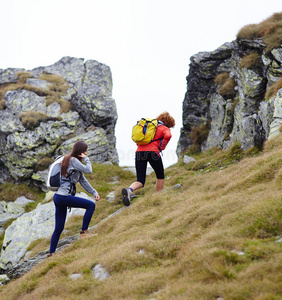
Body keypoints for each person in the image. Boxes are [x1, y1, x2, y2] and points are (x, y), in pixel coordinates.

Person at [48, 140, 100, 257]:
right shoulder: (73, 160)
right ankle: (84, 232)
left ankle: (51, 253)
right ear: (80, 151)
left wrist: (94, 192)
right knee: (90, 205)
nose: (86, 153)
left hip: (58, 197)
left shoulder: (70, 162)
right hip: (63, 196)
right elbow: (89, 170)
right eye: (85, 151)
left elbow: (83, 181)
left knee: (59, 228)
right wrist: (87, 159)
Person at [122, 111, 175, 206]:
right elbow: (168, 135)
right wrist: (161, 147)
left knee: (140, 180)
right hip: (153, 153)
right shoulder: (164, 128)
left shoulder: (149, 126)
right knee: (160, 175)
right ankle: (158, 196)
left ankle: (129, 190)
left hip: (139, 152)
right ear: (169, 123)